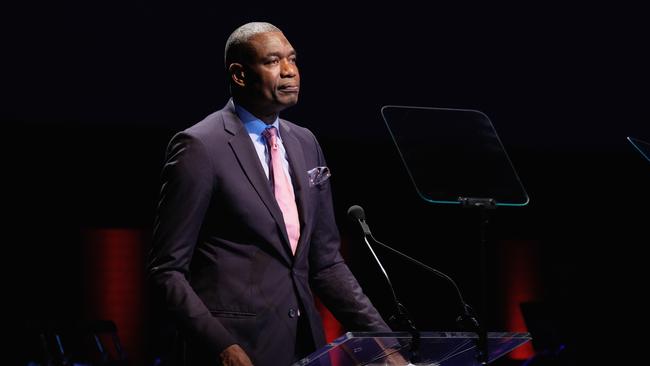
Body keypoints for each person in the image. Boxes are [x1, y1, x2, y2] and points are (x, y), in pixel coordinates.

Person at [147, 22, 390, 366]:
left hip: (305, 346)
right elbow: (166, 270)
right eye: (274, 61)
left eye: (292, 59)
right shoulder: (200, 147)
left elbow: (326, 263)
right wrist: (221, 347)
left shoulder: (305, 142)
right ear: (240, 75)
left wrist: (383, 343)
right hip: (236, 350)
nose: (290, 71)